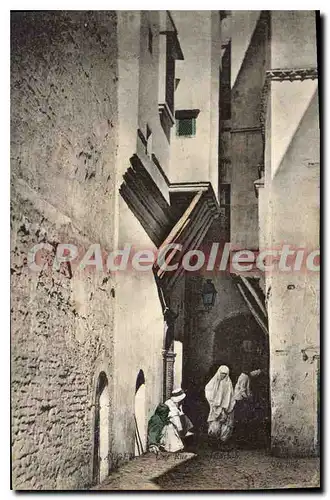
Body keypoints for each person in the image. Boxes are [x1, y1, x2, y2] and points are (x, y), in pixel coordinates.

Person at [205, 365, 236, 444]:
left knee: (225, 425)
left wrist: (225, 406)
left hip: (226, 407)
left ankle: (223, 441)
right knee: (215, 423)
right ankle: (214, 441)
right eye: (222, 373)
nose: (223, 375)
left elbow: (230, 396)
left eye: (225, 374)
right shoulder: (214, 381)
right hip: (215, 407)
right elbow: (208, 390)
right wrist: (214, 402)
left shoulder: (228, 383)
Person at [234, 367, 262, 447]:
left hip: (242, 399)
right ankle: (241, 442)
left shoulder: (246, 376)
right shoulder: (245, 377)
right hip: (241, 400)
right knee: (243, 419)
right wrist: (248, 399)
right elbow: (242, 390)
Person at [159, 388, 194, 452]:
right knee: (172, 442)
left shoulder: (177, 404)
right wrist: (181, 429)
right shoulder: (170, 404)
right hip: (169, 425)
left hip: (173, 423)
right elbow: (175, 418)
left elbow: (181, 414)